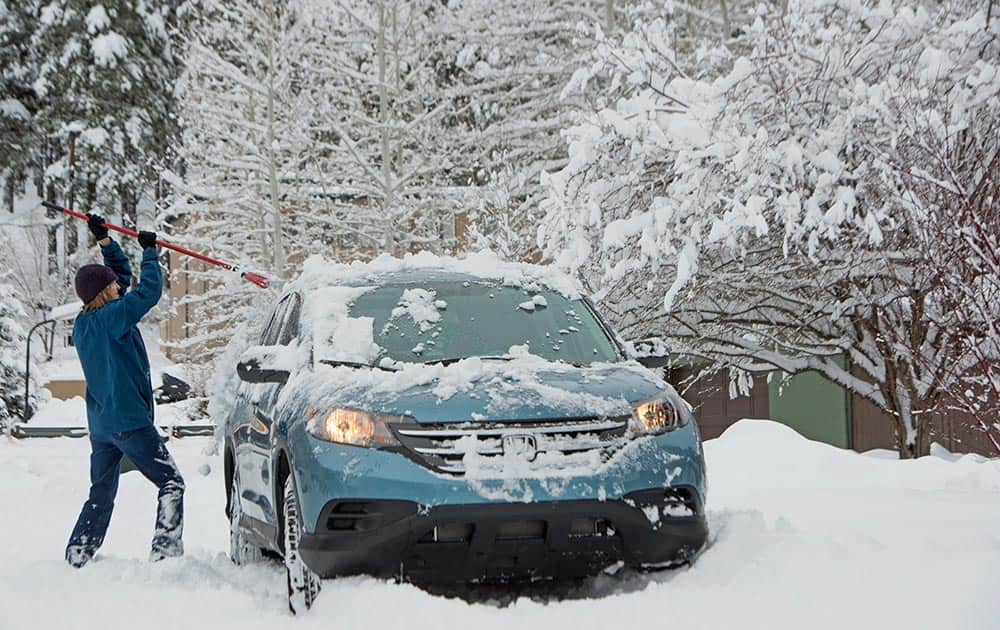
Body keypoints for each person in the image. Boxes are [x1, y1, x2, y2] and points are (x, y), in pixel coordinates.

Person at [65, 214, 185, 568]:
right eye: (114, 285)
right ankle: (166, 550)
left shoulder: (86, 323)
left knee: (101, 493)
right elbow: (147, 292)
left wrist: (106, 241)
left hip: (102, 427)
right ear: (107, 292)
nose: (120, 286)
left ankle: (78, 554)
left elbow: (120, 279)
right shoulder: (114, 317)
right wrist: (150, 253)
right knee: (171, 482)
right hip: (130, 422)